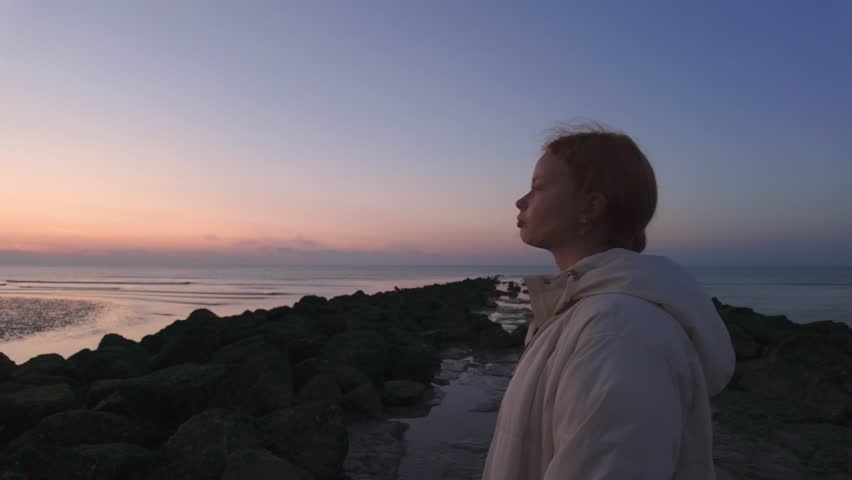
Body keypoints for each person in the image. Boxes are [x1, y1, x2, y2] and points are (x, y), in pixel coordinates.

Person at [481, 124, 736, 479]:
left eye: (538, 188)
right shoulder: (585, 312)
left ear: (591, 206)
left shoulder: (618, 332)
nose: (521, 201)